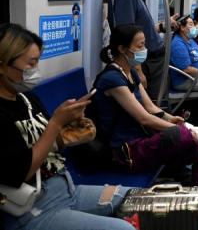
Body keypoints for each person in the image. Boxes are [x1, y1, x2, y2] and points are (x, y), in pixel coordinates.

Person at [0, 23, 135, 230]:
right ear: (2, 65)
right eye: (30, 64)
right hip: (31, 209)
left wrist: (70, 126)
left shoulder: (27, 99)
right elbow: (21, 171)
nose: (35, 71)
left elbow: (50, 147)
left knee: (138, 201)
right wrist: (56, 123)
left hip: (66, 189)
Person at [92, 24, 198, 225]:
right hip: (126, 151)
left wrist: (170, 119)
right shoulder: (112, 79)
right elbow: (144, 118)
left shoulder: (131, 73)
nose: (143, 50)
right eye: (139, 46)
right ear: (122, 49)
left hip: (144, 141)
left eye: (144, 44)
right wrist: (178, 129)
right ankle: (191, 132)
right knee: (176, 135)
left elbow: (151, 108)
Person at [109, 0, 178, 101]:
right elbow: (128, 38)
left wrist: (161, 27)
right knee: (154, 107)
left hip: (154, 61)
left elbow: (138, 28)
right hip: (148, 64)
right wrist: (138, 72)